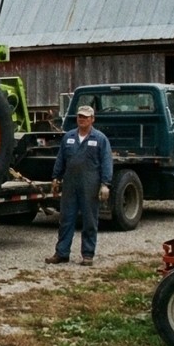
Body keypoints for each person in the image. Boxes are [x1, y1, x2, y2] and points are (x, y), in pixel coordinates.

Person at [47, 104, 114, 266]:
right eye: (80, 116)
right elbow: (61, 158)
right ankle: (62, 253)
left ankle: (88, 254)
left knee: (90, 220)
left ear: (92, 119)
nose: (82, 119)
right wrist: (56, 177)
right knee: (66, 219)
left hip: (90, 184)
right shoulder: (68, 137)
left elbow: (107, 162)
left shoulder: (99, 139)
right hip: (70, 183)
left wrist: (105, 184)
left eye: (85, 117)